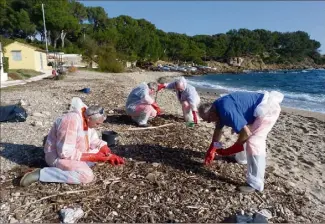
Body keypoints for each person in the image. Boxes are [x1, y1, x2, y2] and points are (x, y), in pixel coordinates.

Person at [20, 97, 125, 187]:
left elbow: (93, 140)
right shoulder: (70, 121)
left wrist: (105, 150)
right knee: (86, 176)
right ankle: (41, 173)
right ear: (89, 119)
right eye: (97, 124)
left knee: (100, 154)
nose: (99, 126)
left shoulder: (86, 120)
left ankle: (92, 158)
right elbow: (65, 153)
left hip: (77, 151)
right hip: (57, 156)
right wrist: (93, 157)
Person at [198, 91, 283, 193]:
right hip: (256, 111)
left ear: (211, 112)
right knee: (245, 137)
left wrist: (235, 147)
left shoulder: (225, 110)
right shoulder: (216, 109)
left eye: (208, 119)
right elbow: (218, 131)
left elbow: (246, 133)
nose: (208, 122)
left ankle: (255, 184)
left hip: (268, 109)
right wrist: (212, 148)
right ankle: (241, 159)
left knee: (254, 142)